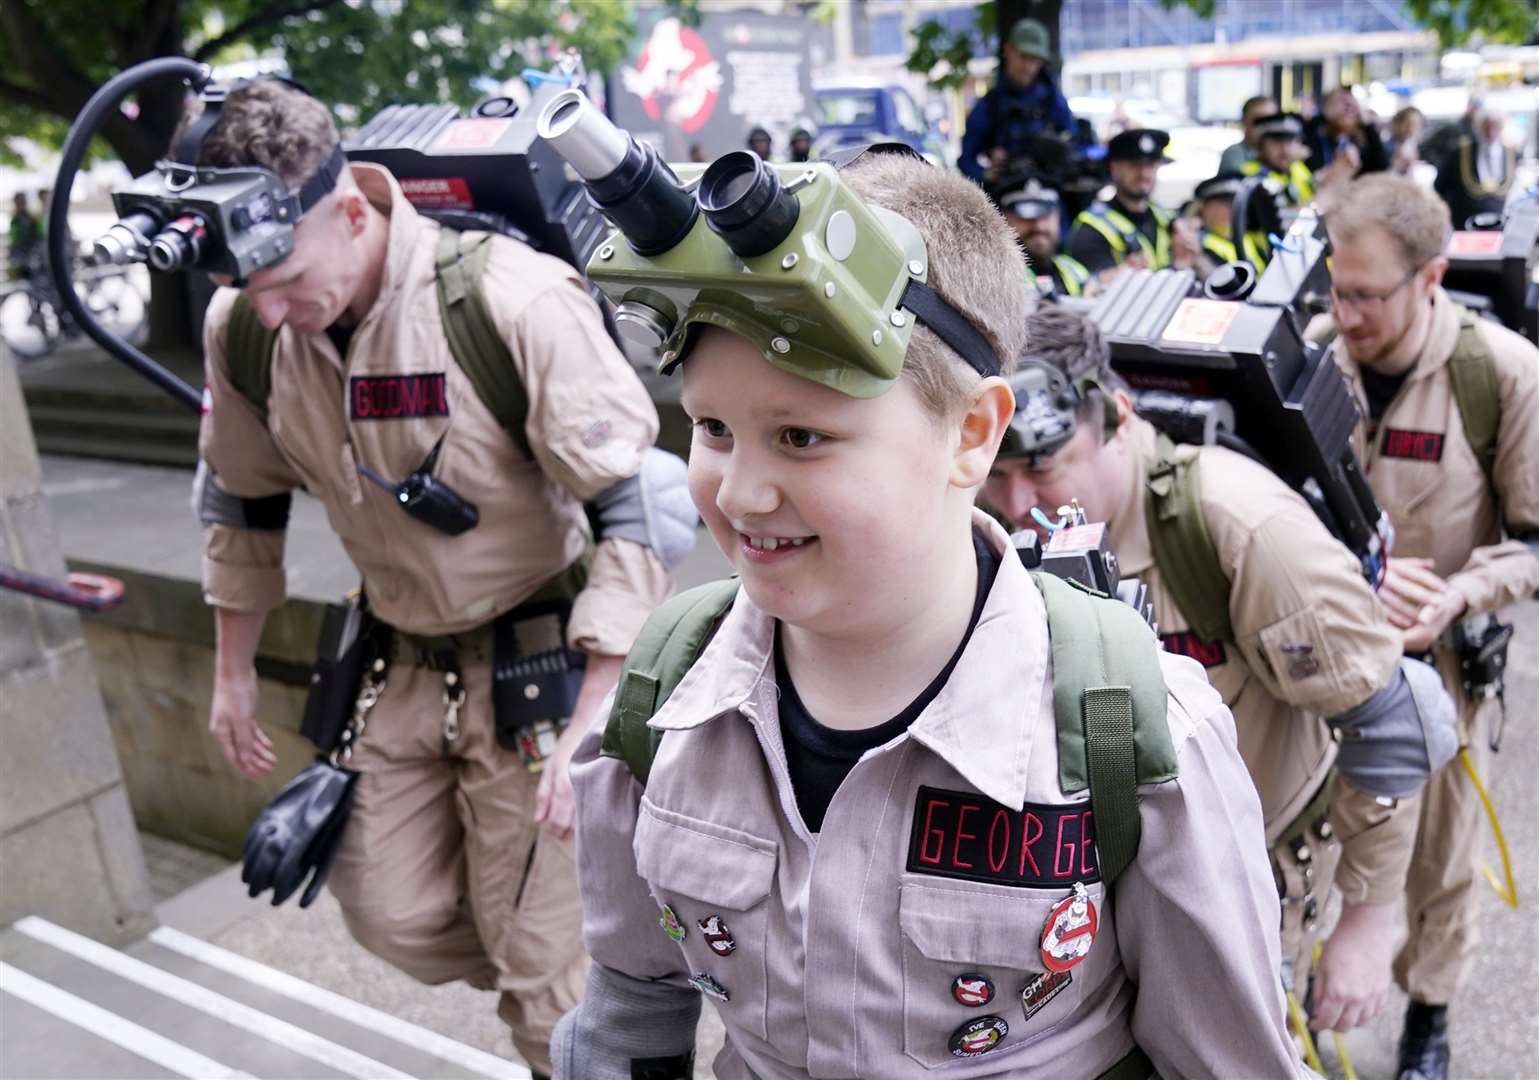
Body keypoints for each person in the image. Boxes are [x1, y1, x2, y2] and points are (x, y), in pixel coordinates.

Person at [553, 147, 1313, 1079]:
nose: (740, 493)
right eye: (713, 428)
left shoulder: (1127, 734)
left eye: (802, 436)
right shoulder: (668, 691)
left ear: (970, 434)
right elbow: (630, 1015)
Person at [189, 80, 690, 1078]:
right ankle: (588, 951)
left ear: (352, 210)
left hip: (542, 663)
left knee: (552, 994)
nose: (274, 309)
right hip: (399, 665)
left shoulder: (507, 300)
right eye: (254, 290)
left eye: (286, 277)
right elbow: (242, 504)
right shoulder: (247, 325)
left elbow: (630, 505)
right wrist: (233, 672)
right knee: (386, 906)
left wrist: (598, 710)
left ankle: (571, 979)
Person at [983, 304, 1457, 1047]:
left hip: (1247, 875)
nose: (1015, 506)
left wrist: (1365, 925)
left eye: (1041, 466)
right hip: (1088, 889)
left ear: (1115, 417)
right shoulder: (984, 529)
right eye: (995, 473)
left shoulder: (1238, 524)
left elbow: (1390, 720)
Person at [1322, 173, 1539, 1080]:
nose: (1345, 315)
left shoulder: (1500, 375)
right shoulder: (1305, 362)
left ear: (1431, 277)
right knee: (1315, 839)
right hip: (1321, 656)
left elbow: (1533, 542)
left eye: (1366, 296)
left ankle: (1429, 1016)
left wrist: (1459, 594)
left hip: (1442, 670)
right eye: (1333, 289)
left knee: (1439, 860)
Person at [958, 18, 1080, 184]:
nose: (1028, 66)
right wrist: (988, 173)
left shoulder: (1053, 100)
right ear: (1008, 50)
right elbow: (966, 160)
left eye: (1035, 59)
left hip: (1049, 189)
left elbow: (1075, 143)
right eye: (1024, 56)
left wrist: (1056, 153)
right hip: (1005, 193)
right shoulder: (990, 104)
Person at [1067, 128, 1199, 281]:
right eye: (1134, 165)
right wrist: (1177, 268)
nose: (1143, 173)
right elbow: (1096, 292)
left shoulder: (1168, 219)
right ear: (1114, 168)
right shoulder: (1091, 229)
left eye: (1150, 165)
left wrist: (1194, 253)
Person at [998, 179, 1092, 298]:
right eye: (1026, 215)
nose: (1039, 226)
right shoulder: (994, 276)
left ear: (1058, 216)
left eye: (1045, 214)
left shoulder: (1074, 270)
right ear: (1003, 220)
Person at [1434, 107, 1515, 230]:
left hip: (1497, 224)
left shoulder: (1509, 153)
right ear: (1478, 127)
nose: (1490, 132)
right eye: (1486, 127)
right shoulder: (1459, 152)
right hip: (1464, 223)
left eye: (1495, 127)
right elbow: (1440, 186)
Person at [1304, 87, 1389, 185]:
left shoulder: (1356, 142)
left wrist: (1368, 126)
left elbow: (1381, 167)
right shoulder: (1316, 134)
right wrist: (1324, 115)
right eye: (1342, 102)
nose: (1348, 109)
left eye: (1352, 106)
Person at [1192, 171, 1271, 274]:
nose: (1230, 209)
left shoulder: (1248, 238)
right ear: (1204, 208)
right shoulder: (1198, 245)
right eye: (1222, 204)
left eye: (1234, 202)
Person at [1242, 113, 1316, 213]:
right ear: (1261, 145)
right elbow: (1280, 220)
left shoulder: (1298, 169)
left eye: (1290, 141)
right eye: (1276, 141)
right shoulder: (1251, 175)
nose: (1285, 149)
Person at [1218, 94, 1279, 175]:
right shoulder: (1234, 154)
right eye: (1258, 120)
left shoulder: (1286, 152)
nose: (1265, 126)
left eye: (1271, 120)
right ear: (1244, 122)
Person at [6, 192, 41, 279]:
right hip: (21, 254)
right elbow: (14, 238)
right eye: (19, 201)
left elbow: (37, 235)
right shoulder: (15, 219)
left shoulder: (31, 218)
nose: (22, 203)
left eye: (23, 201)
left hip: (30, 252)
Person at [1388, 106, 1426, 175]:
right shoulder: (1386, 148)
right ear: (1396, 124)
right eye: (1408, 123)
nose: (1411, 128)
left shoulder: (1419, 145)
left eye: (1416, 124)